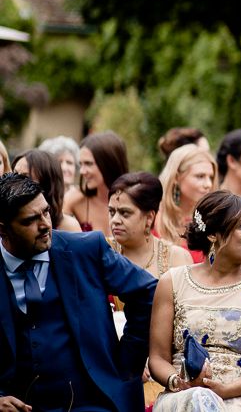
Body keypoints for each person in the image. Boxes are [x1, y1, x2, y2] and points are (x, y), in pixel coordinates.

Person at [0, 172, 157, 411]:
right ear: (3, 229)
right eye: (30, 220)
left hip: (93, 402)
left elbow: (147, 292)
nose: (45, 225)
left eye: (45, 212)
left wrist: (125, 361)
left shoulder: (85, 250)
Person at [149, 191, 241, 411]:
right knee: (197, 402)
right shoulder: (172, 282)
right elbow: (157, 358)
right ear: (213, 234)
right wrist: (178, 381)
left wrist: (225, 390)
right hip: (183, 397)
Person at [108, 171, 194, 409]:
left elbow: (188, 324)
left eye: (125, 213)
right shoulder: (101, 253)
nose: (115, 220)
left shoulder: (176, 259)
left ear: (149, 218)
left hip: (164, 365)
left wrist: (153, 361)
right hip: (112, 362)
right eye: (111, 212)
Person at [156, 143, 217, 262]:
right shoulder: (155, 220)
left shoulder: (213, 222)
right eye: (200, 176)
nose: (208, 184)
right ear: (176, 178)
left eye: (211, 177)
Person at [63, 130, 129, 234]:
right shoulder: (74, 199)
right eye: (81, 164)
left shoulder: (134, 201)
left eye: (88, 164)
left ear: (109, 163)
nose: (82, 171)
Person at [12, 149, 81, 232]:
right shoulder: (7, 218)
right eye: (14, 174)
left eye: (26, 177)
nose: (15, 181)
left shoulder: (68, 227)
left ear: (46, 184)